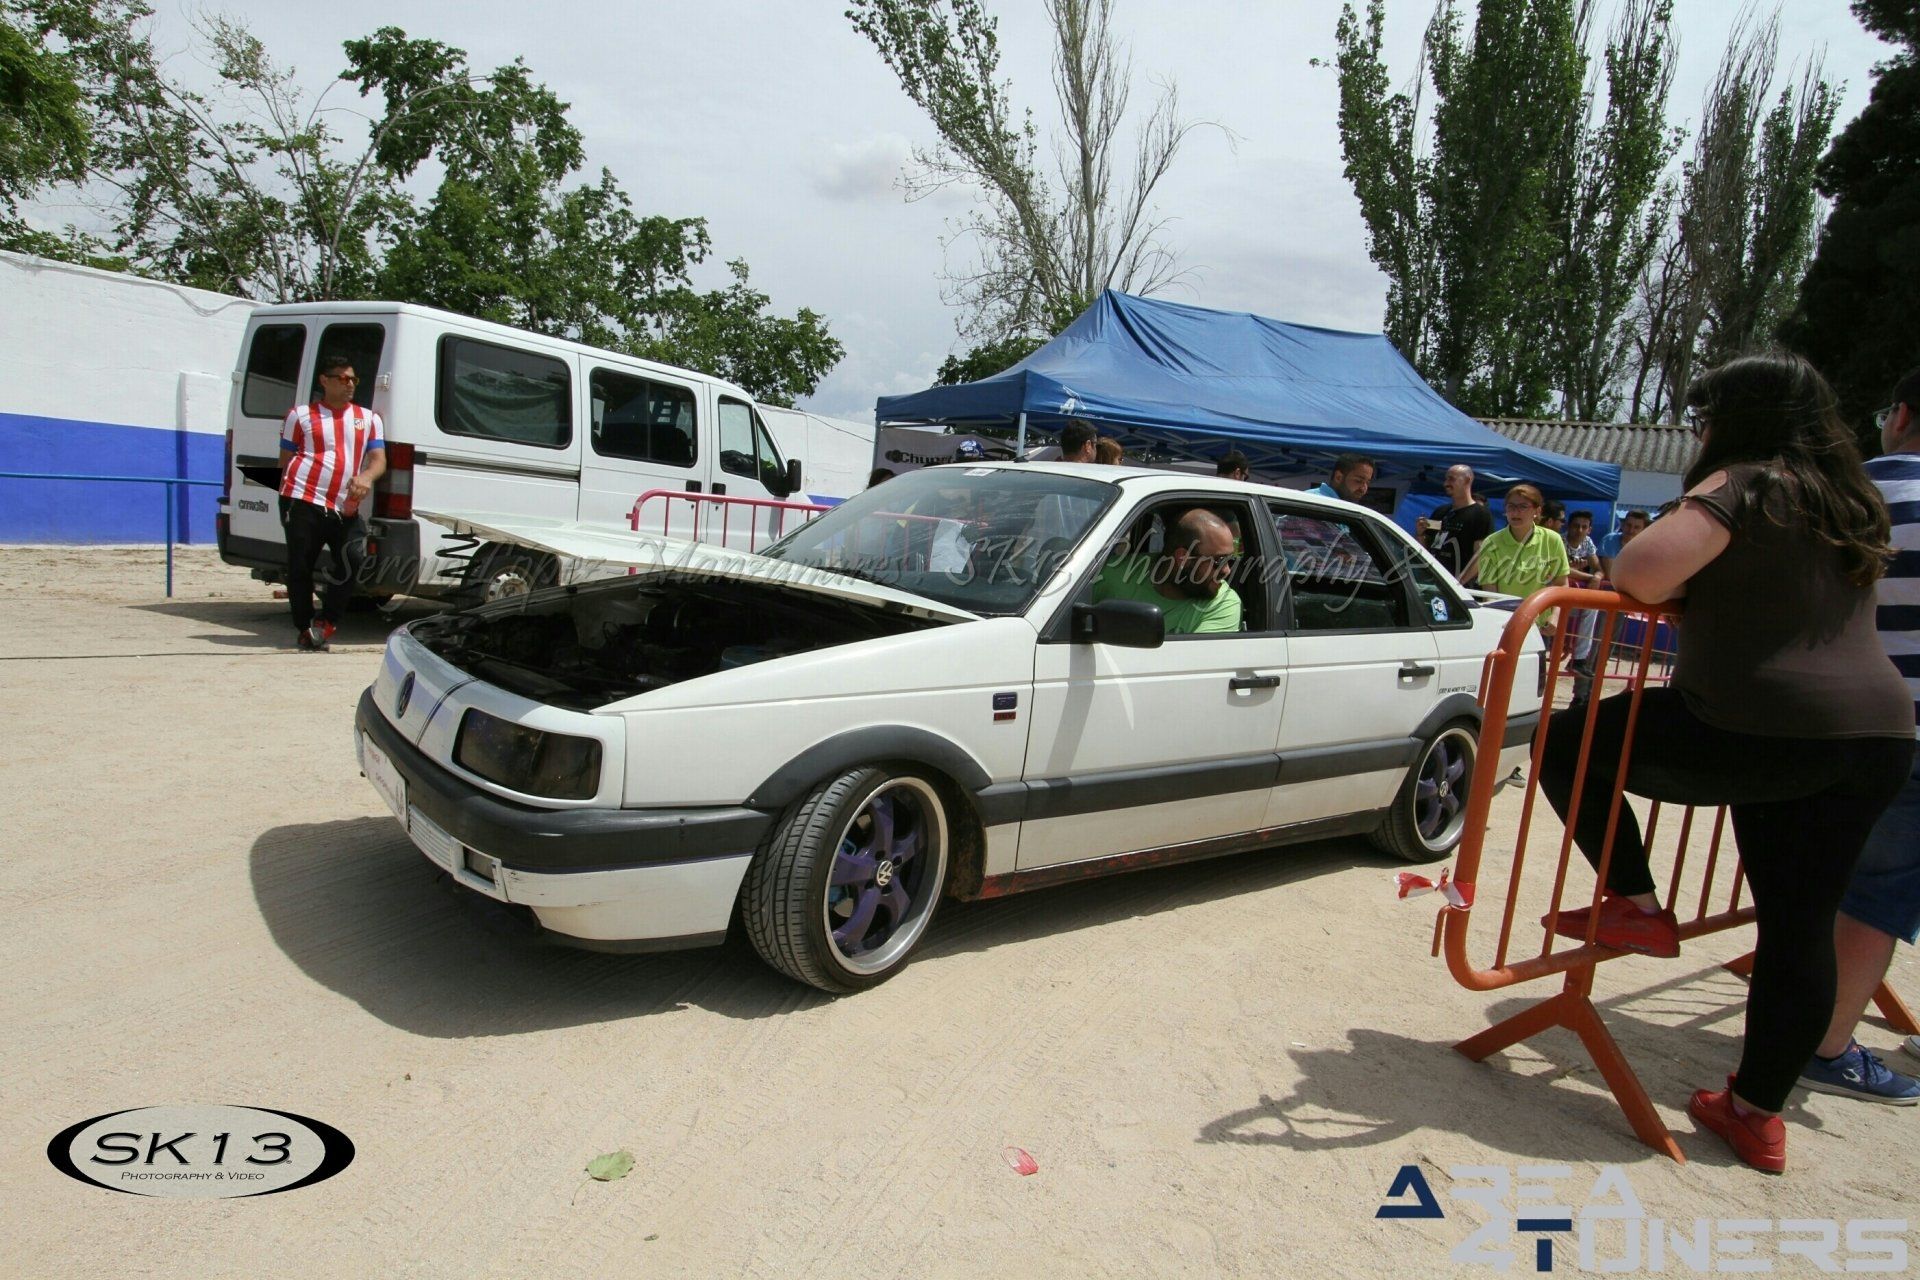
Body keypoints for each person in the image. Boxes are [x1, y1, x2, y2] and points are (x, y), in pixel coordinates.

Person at [1535, 354, 1915, 1173]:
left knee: (1564, 742)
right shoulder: (1849, 498)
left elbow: (1636, 571)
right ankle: (1756, 1116)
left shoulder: (1747, 482)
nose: (1698, 431)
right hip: (1877, 734)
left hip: (1761, 724)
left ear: (1737, 421)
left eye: (1705, 416)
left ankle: (1634, 902)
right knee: (1801, 924)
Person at [1802, 367, 1920, 1105]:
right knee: (1878, 891)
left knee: (1815, 876)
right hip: (1905, 729)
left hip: (1812, 720)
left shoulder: (1831, 493)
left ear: (1902, 414)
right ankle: (1827, 1044)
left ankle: (1806, 1020)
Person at [280, 355, 385, 651]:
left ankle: (327, 621)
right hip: (302, 498)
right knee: (300, 565)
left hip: (345, 505)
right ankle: (304, 627)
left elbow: (379, 461)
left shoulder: (368, 418)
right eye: (342, 378)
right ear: (324, 381)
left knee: (353, 559)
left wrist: (365, 476)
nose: (350, 383)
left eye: (353, 379)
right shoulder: (299, 416)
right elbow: (286, 460)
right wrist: (287, 495)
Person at [1092, 508, 1242, 633]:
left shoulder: (1224, 604)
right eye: (1219, 561)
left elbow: (1188, 665)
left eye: (1231, 560)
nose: (1227, 570)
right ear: (1183, 558)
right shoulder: (1114, 575)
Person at [1459, 484, 1570, 633]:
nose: (1515, 512)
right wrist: (1504, 621)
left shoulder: (1553, 540)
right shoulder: (1491, 543)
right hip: (1504, 625)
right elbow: (1490, 594)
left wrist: (1556, 616)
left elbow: (1562, 584)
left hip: (1538, 627)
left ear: (1537, 511)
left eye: (1523, 506)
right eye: (1511, 506)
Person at [1423, 464, 1494, 578]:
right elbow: (1425, 546)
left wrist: (1458, 583)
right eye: (1446, 479)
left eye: (1451, 479)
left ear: (1467, 480)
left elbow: (1481, 555)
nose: (1446, 483)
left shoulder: (1481, 514)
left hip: (1458, 587)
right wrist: (1420, 533)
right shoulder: (1440, 511)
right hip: (1432, 581)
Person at [1597, 509, 1650, 581]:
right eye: (1628, 525)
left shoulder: (1647, 547)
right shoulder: (1610, 540)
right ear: (1623, 525)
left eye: (1636, 527)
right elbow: (1611, 575)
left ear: (1644, 530)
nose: (1631, 530)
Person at [1307, 454, 1374, 503]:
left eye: (1368, 483)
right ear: (1338, 477)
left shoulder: (1342, 506)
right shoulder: (1312, 501)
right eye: (1359, 481)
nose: (1363, 488)